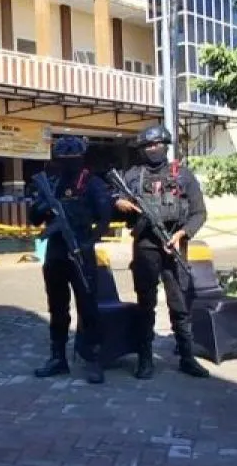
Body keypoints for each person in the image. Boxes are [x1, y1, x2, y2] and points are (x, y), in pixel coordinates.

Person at [112, 125, 210, 380]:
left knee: (179, 305)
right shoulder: (133, 176)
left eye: (157, 145)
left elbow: (200, 213)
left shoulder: (183, 175)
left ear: (166, 145)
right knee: (146, 304)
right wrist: (118, 203)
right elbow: (114, 202)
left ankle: (187, 357)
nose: (153, 149)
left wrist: (182, 234)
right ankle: (145, 359)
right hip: (145, 247)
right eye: (148, 146)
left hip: (174, 245)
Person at [28, 136, 113, 383]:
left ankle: (93, 358)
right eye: (62, 159)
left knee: (88, 307)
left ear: (81, 159)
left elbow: (105, 219)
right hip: (56, 253)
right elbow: (34, 218)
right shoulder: (50, 184)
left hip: (81, 252)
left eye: (72, 159)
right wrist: (44, 205)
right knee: (57, 308)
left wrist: (90, 241)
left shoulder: (92, 183)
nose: (67, 164)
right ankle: (58, 358)